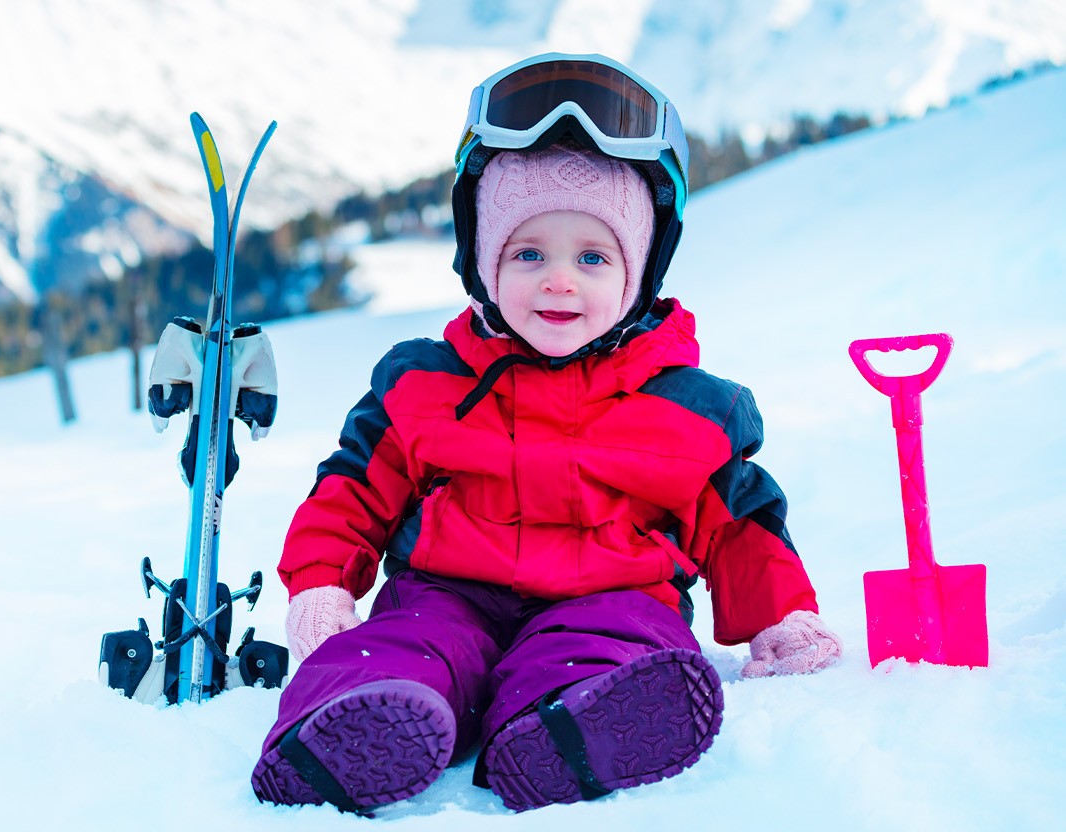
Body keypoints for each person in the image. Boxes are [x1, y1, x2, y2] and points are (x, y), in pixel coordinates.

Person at [250, 53, 842, 813]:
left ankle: (570, 720)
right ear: (483, 263)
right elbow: (352, 488)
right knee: (405, 643)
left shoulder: (694, 410)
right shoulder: (424, 384)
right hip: (448, 595)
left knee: (623, 638)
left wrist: (783, 618)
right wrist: (323, 585)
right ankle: (354, 721)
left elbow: (740, 529)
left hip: (611, 594)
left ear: (640, 274)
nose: (559, 280)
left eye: (593, 257)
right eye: (528, 254)